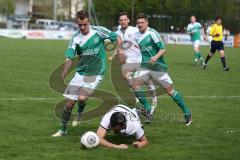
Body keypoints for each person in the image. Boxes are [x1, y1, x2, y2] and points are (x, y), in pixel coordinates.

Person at [52, 10, 122, 137]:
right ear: (76, 24)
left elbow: (117, 37)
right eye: (80, 25)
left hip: (95, 73)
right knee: (68, 105)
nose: (83, 27)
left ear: (89, 22)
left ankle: (79, 113)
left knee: (82, 98)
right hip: (80, 73)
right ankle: (62, 129)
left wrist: (118, 51)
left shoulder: (98, 31)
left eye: (85, 24)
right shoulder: (75, 38)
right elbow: (69, 57)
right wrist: (65, 71)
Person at [132, 13, 192, 125]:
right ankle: (148, 108)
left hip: (158, 67)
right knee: (135, 85)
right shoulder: (136, 36)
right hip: (145, 67)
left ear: (147, 23)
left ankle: (186, 111)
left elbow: (163, 49)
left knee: (170, 91)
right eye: (138, 23)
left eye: (142, 23)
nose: (140, 25)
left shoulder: (152, 33)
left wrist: (155, 57)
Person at [116, 12, 157, 116]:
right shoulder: (117, 32)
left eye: (125, 20)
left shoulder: (135, 30)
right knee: (128, 79)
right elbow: (119, 45)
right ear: (119, 21)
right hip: (128, 62)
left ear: (128, 20)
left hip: (139, 59)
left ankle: (153, 98)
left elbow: (147, 36)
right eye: (121, 20)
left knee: (145, 82)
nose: (123, 22)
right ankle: (146, 105)